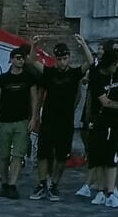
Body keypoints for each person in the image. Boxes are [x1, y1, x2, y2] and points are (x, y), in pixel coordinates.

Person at [32, 37, 93, 200]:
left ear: (69, 58)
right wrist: (34, 46)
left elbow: (90, 62)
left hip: (65, 121)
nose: (61, 62)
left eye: (64, 59)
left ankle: (54, 184)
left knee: (61, 156)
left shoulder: (74, 73)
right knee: (43, 154)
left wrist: (83, 45)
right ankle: (42, 182)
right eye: (59, 59)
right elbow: (33, 61)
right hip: (48, 119)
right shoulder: (49, 72)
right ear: (55, 59)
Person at [86, 44, 118, 208]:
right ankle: (101, 191)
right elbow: (105, 102)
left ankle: (111, 192)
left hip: (115, 123)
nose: (116, 67)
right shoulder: (96, 77)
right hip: (101, 122)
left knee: (113, 158)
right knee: (99, 158)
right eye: (114, 64)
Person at [0, 47, 40, 199]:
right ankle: (4, 184)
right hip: (4, 121)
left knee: (18, 155)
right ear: (11, 59)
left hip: (22, 121)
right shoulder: (3, 79)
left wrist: (33, 118)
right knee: (4, 155)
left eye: (22, 58)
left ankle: (13, 185)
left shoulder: (29, 78)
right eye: (17, 58)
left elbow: (34, 99)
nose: (20, 60)